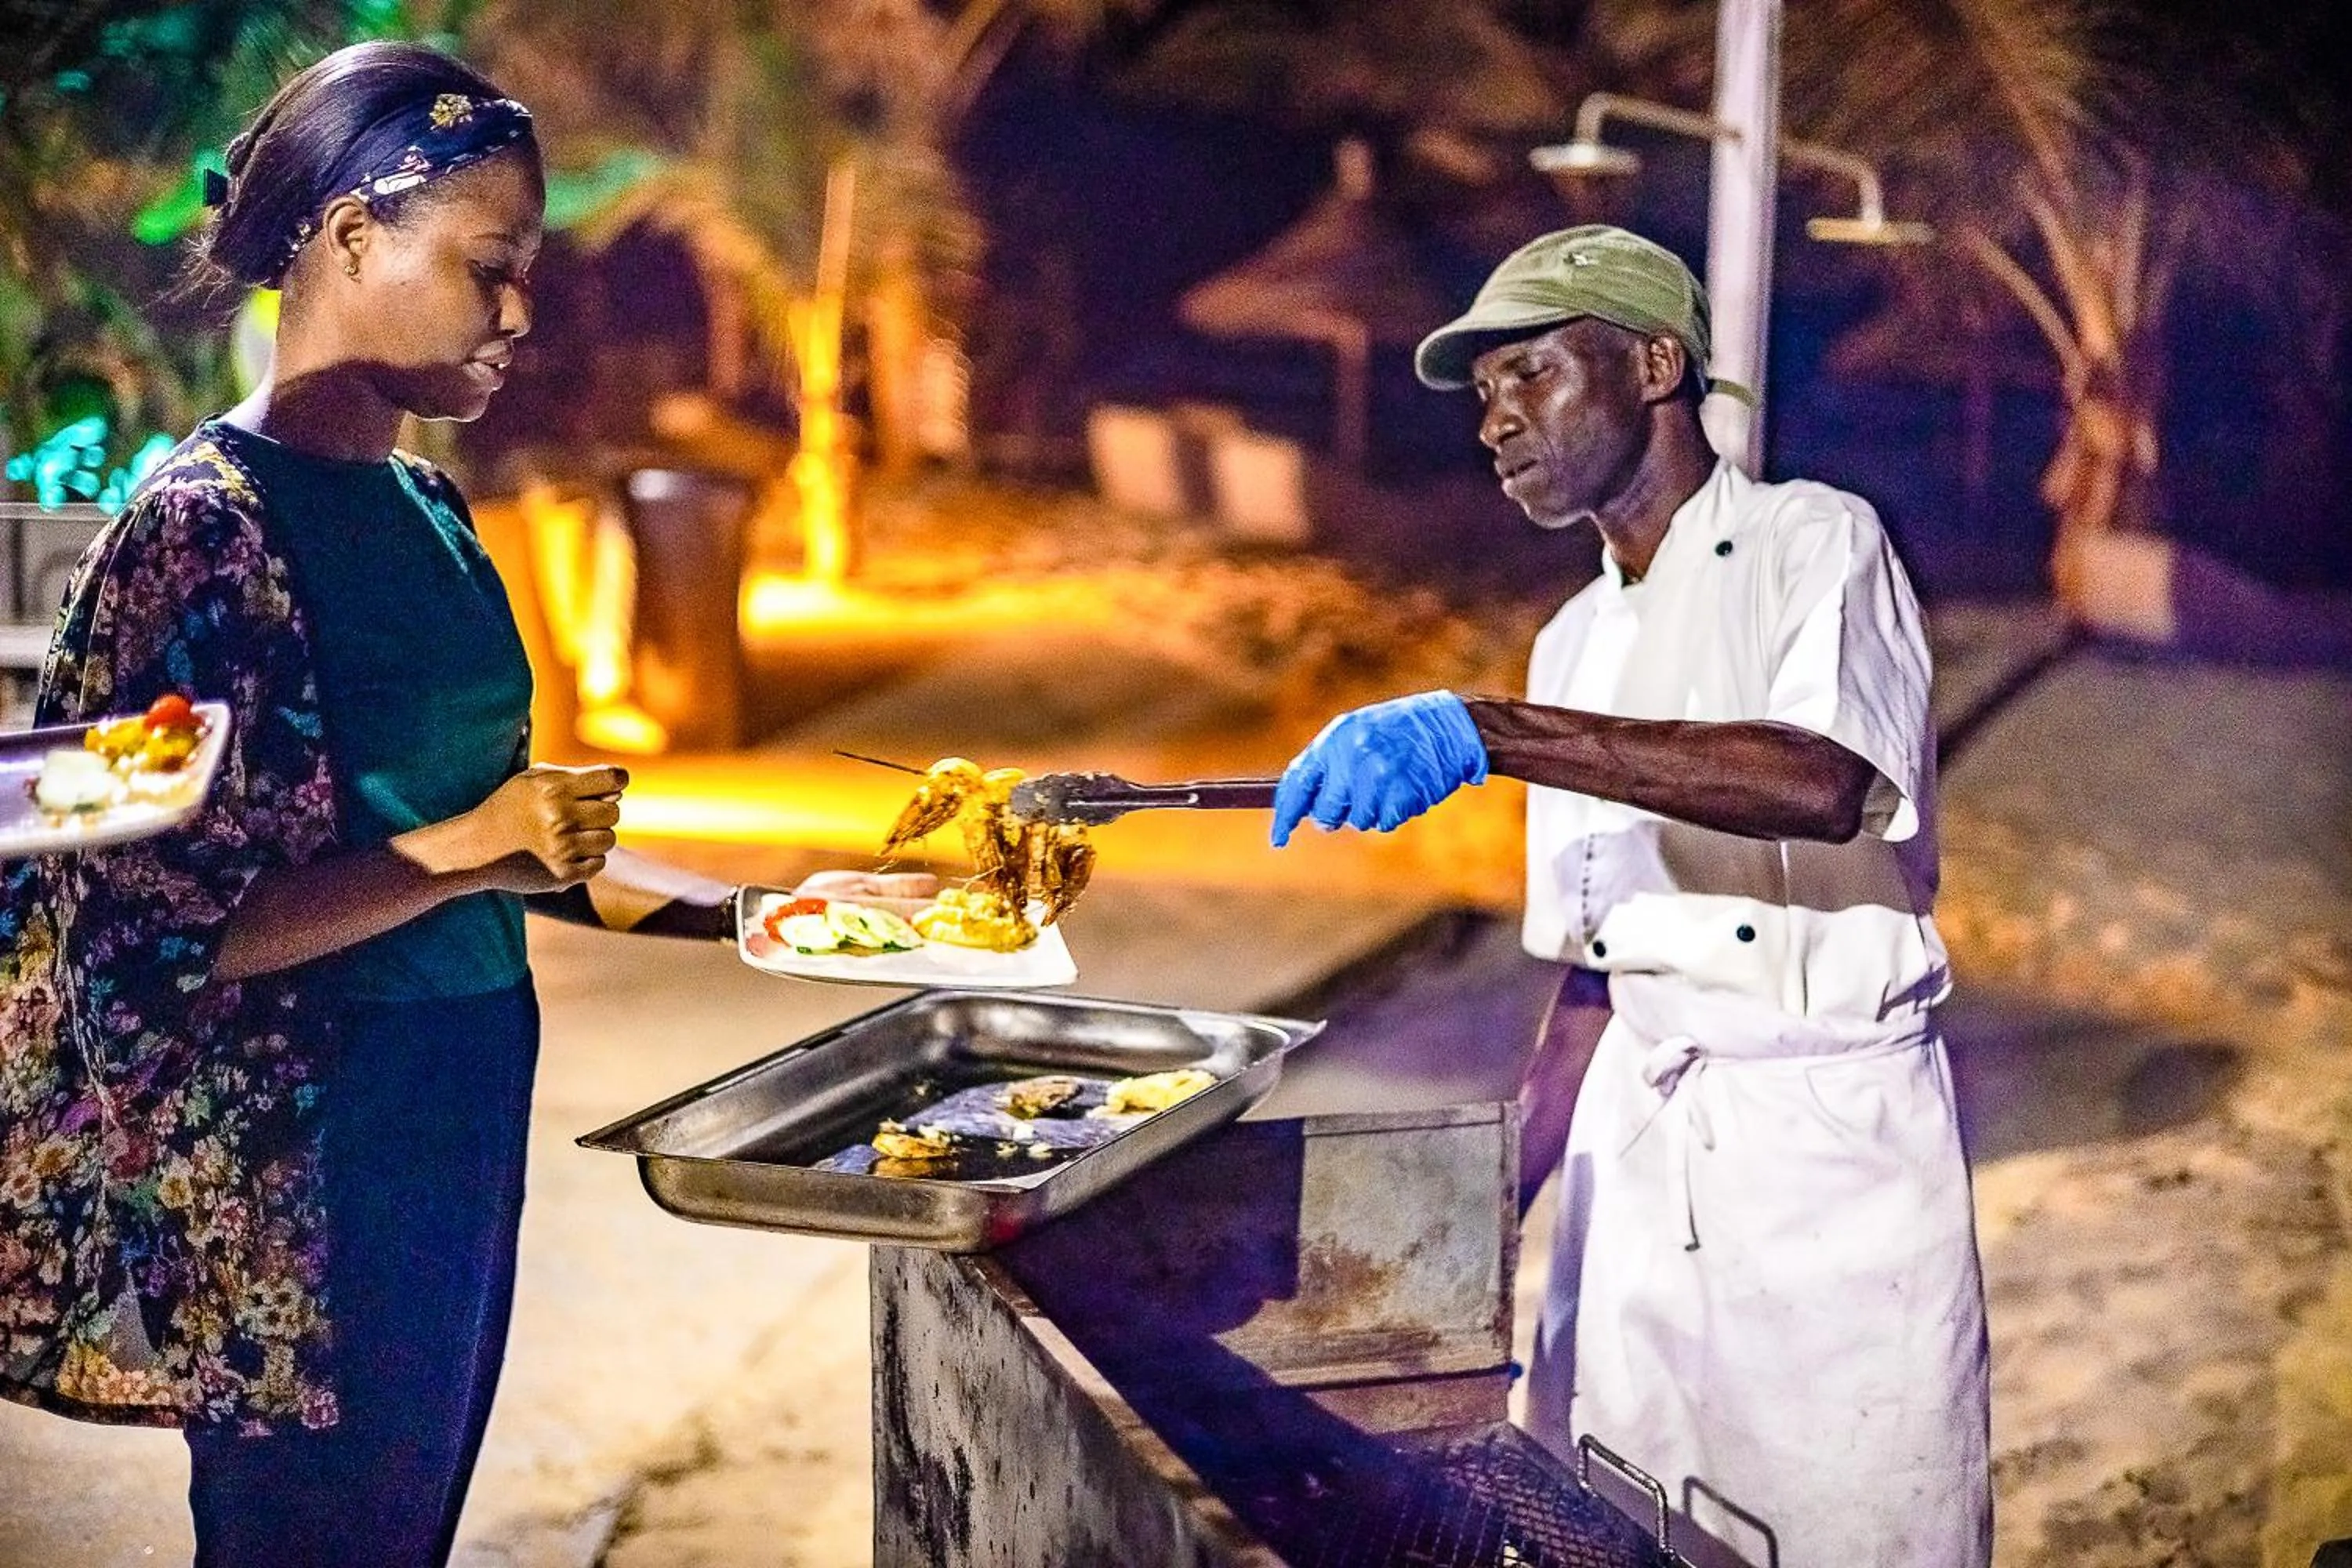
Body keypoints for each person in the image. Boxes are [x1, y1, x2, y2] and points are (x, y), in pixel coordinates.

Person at [0, 41, 742, 1566]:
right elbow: (140, 917)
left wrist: (794, 912)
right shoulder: (196, 534)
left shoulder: (428, 510)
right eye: (491, 266)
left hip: (458, 1097)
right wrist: (467, 849)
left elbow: (512, 838)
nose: (521, 313)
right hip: (299, 1154)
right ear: (351, 239)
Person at [1269, 226, 1990, 1566]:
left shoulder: (1812, 541)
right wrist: (1489, 1203)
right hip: (1637, 1164)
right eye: (1483, 394)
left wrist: (1494, 732)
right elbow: (1600, 973)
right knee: (1621, 1520)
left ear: (1657, 364)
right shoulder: (1573, 638)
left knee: (1851, 1527)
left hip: (1823, 1156)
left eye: (1529, 373)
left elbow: (1824, 782)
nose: (1496, 422)